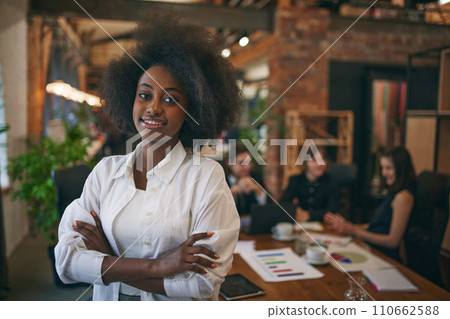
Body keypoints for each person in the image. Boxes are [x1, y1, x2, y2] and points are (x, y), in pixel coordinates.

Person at [54, 12, 243, 301]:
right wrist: (160, 266)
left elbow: (203, 284)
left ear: (193, 111)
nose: (153, 108)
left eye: (170, 99)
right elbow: (67, 262)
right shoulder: (105, 173)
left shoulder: (205, 177)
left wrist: (108, 259)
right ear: (130, 98)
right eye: (145, 95)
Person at [324, 147, 416, 261]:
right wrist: (351, 226)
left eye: (389, 168)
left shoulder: (403, 197)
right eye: (383, 168)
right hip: (373, 249)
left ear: (401, 169)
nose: (384, 173)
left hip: (385, 256)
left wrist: (355, 232)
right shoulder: (393, 194)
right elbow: (378, 225)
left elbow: (393, 241)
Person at [280, 150, 340, 222]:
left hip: (324, 224)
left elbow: (333, 210)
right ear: (305, 162)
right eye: (314, 160)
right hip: (301, 223)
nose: (320, 164)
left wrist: (309, 215)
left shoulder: (333, 182)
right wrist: (296, 211)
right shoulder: (295, 180)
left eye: (323, 159)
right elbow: (283, 204)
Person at [224, 143, 268, 216]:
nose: (247, 167)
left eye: (249, 162)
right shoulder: (221, 180)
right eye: (241, 163)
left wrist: (258, 190)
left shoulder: (255, 176)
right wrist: (232, 191)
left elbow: (268, 207)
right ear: (229, 163)